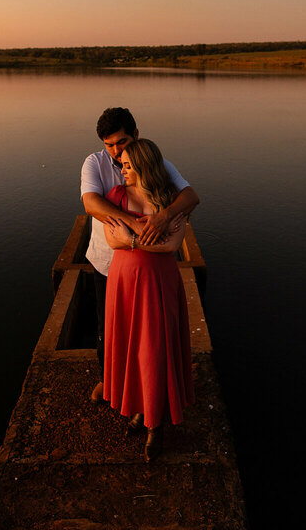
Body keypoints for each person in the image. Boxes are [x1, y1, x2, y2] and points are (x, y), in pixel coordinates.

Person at [80, 108, 199, 403]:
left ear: (135, 134)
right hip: (107, 261)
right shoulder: (94, 163)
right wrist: (134, 223)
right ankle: (109, 382)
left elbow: (190, 196)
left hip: (147, 268)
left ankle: (145, 394)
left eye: (121, 142)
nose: (116, 152)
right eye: (109, 145)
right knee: (107, 328)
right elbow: (91, 203)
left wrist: (165, 215)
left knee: (148, 335)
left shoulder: (149, 159)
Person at [101, 139, 194, 461]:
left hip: (158, 282)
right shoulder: (115, 198)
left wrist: (133, 241)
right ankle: (139, 411)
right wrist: (137, 242)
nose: (122, 170)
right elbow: (112, 242)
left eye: (127, 165)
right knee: (131, 346)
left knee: (153, 348)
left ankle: (156, 425)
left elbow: (172, 247)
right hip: (124, 282)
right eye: (121, 165)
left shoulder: (169, 201)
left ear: (143, 166)